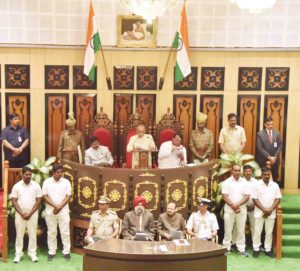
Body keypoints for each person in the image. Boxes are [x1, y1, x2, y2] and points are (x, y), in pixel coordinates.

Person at [11, 167, 42, 263]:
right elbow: (14, 201)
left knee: (33, 234)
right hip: (20, 214)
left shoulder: (36, 185)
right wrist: (21, 213)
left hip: (32, 214)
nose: (28, 176)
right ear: (22, 174)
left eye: (30, 174)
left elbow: (39, 200)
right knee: (19, 235)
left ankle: (32, 254)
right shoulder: (17, 186)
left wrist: (30, 213)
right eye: (26, 174)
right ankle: (18, 254)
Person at [42, 164, 72, 261]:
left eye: (61, 172)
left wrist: (59, 207)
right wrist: (55, 206)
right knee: (51, 232)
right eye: (58, 173)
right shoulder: (46, 182)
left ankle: (66, 252)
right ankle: (52, 252)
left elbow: (68, 196)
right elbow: (45, 196)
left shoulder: (66, 182)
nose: (60, 174)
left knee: (65, 232)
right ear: (53, 173)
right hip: (50, 211)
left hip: (63, 211)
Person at [252, 167, 281, 258]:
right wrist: (264, 209)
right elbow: (254, 199)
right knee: (257, 231)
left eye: (269, 174)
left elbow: (278, 199)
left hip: (271, 213)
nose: (267, 176)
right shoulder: (256, 185)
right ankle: (256, 249)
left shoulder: (275, 185)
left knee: (269, 232)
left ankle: (268, 249)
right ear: (262, 175)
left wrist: (271, 209)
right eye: (265, 174)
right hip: (259, 212)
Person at [222, 164, 250, 257]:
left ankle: (241, 249)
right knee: (228, 230)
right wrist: (233, 206)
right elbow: (224, 196)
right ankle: (226, 248)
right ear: (232, 171)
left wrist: (236, 205)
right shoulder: (226, 182)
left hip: (241, 211)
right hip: (229, 211)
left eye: (238, 170)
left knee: (241, 231)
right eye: (235, 170)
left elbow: (247, 196)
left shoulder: (245, 182)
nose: (237, 172)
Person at [256, 117, 281, 182]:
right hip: (263, 160)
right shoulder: (260, 134)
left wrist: (274, 157)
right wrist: (269, 157)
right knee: (264, 178)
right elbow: (259, 147)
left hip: (275, 160)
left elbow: (280, 146)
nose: (270, 126)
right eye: (268, 124)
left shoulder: (277, 133)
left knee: (274, 176)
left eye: (272, 124)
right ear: (265, 124)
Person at [242, 165, 257, 240]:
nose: (248, 173)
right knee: (241, 227)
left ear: (252, 172)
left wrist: (254, 204)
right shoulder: (240, 181)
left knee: (254, 227)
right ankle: (241, 245)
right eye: (246, 171)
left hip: (253, 207)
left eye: (249, 171)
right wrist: (244, 205)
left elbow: (258, 194)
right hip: (242, 207)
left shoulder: (256, 182)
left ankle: (256, 245)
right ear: (243, 172)